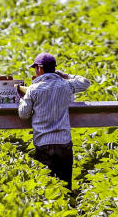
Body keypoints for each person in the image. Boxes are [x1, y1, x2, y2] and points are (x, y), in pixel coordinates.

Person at [17, 52, 91, 190]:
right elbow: (85, 82)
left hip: (43, 143)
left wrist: (22, 98)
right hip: (64, 143)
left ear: (40, 68)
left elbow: (23, 114)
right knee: (65, 185)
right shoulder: (65, 85)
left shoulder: (33, 89)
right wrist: (66, 75)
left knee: (47, 187)